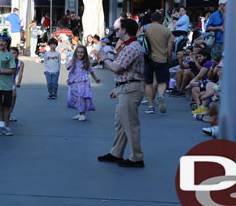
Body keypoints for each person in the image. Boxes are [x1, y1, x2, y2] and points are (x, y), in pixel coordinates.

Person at [96, 18, 146, 168]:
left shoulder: (131, 47)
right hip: (126, 88)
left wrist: (104, 59)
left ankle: (137, 157)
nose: (116, 31)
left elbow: (117, 68)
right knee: (122, 123)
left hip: (129, 89)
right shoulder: (130, 46)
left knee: (129, 124)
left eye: (118, 29)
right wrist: (118, 87)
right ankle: (116, 152)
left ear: (125, 30)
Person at [141, 11, 174, 114]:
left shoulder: (144, 28)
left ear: (151, 19)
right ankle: (160, 95)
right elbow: (170, 49)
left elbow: (138, 42)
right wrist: (168, 59)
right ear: (161, 19)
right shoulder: (167, 31)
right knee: (162, 82)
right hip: (162, 59)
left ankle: (151, 106)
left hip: (148, 59)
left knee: (148, 83)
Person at [66, 45, 100, 121]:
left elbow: (91, 72)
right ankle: (80, 113)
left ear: (84, 53)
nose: (80, 54)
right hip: (75, 82)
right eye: (78, 52)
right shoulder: (74, 61)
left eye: (82, 52)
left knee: (82, 97)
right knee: (77, 97)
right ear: (75, 53)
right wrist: (71, 63)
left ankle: (83, 114)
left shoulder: (86, 62)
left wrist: (96, 79)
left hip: (84, 83)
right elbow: (68, 68)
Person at [9, 47, 24, 122]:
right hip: (4, 81)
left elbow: (20, 73)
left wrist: (19, 82)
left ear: (17, 54)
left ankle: (10, 113)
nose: (12, 55)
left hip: (12, 81)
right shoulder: (6, 61)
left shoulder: (20, 63)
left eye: (14, 53)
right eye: (10, 53)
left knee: (14, 95)